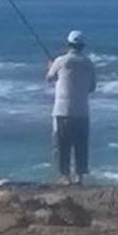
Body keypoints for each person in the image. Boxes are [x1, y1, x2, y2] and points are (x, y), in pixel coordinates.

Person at [45, 29, 96, 184]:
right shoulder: (88, 63)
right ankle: (79, 177)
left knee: (63, 145)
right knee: (81, 145)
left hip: (62, 110)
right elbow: (92, 87)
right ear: (82, 46)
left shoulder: (60, 61)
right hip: (82, 111)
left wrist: (50, 66)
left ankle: (66, 177)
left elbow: (49, 78)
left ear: (68, 44)